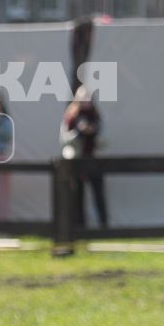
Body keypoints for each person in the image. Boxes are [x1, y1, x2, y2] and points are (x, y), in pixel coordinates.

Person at [61, 86, 107, 228]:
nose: (86, 101)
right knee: (77, 195)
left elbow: (104, 140)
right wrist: (79, 132)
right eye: (83, 99)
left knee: (98, 193)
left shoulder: (96, 115)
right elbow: (65, 139)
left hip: (93, 159)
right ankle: (80, 226)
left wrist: (93, 132)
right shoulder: (71, 116)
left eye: (88, 98)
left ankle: (103, 225)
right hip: (77, 160)